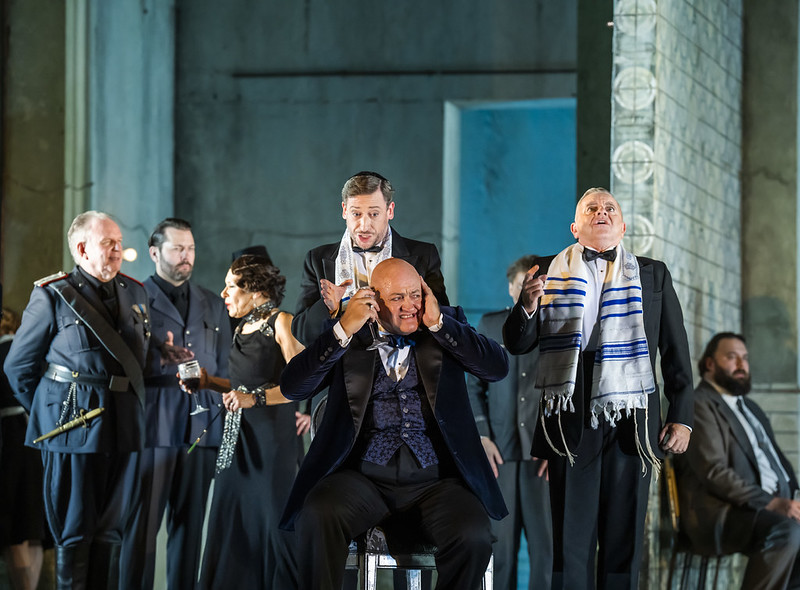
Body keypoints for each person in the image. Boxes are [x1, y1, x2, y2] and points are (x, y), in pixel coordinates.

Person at [502, 188, 694, 589]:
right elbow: (517, 344)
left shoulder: (652, 273)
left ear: (622, 226)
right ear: (576, 227)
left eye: (610, 208)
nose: (601, 212)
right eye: (592, 208)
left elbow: (675, 350)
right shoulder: (547, 271)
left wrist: (682, 417)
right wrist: (528, 306)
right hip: (570, 409)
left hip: (634, 413)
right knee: (570, 539)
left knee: (623, 539)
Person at [279, 257, 509, 590]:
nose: (409, 306)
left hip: (435, 481)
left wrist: (440, 324)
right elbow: (292, 386)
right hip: (363, 478)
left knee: (472, 536)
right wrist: (343, 328)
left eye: (415, 294)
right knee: (318, 514)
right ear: (373, 298)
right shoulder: (350, 332)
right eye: (397, 298)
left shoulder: (446, 323)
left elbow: (497, 368)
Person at [4, 211, 150, 589]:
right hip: (72, 428)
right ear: (83, 248)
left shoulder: (136, 291)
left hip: (125, 426)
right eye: (109, 243)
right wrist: (51, 411)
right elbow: (19, 366)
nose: (118, 250)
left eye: (119, 242)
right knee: (73, 530)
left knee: (111, 530)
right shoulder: (53, 293)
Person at [120, 218, 232, 590]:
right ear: (154, 253)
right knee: (142, 531)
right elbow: (120, 364)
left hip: (200, 431)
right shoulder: (132, 298)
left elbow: (225, 365)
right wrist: (159, 360)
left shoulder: (214, 304)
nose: (187, 256)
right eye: (177, 248)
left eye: (191, 248)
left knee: (189, 531)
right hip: (153, 428)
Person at [193, 254, 305, 589]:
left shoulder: (281, 321)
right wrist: (208, 382)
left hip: (272, 441)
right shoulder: (241, 325)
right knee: (231, 519)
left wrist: (252, 399)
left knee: (271, 520)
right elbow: (243, 386)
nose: (224, 293)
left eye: (231, 287)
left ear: (255, 291)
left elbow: (300, 383)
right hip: (236, 440)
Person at [674, 333, 800, 590]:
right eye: (732, 358)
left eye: (745, 358)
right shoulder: (700, 404)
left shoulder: (750, 408)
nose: (742, 365)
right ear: (710, 364)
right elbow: (714, 472)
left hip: (760, 509)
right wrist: (772, 502)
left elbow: (777, 462)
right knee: (785, 532)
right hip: (723, 512)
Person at [467, 254, 552, 590]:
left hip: (541, 455)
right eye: (523, 286)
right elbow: (471, 386)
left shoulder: (556, 327)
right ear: (511, 288)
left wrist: (556, 443)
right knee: (500, 551)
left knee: (546, 550)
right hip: (499, 454)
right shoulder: (490, 326)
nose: (530, 292)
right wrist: (483, 436)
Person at [291, 170, 449, 346]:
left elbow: (441, 322)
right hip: (342, 370)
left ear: (390, 211)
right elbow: (302, 333)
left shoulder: (424, 255)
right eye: (356, 214)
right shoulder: (317, 258)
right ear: (344, 211)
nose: (364, 226)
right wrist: (328, 308)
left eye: (374, 214)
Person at [0, 307, 46, 590]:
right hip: (37, 436)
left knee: (13, 525)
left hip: (9, 438)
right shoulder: (30, 348)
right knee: (32, 525)